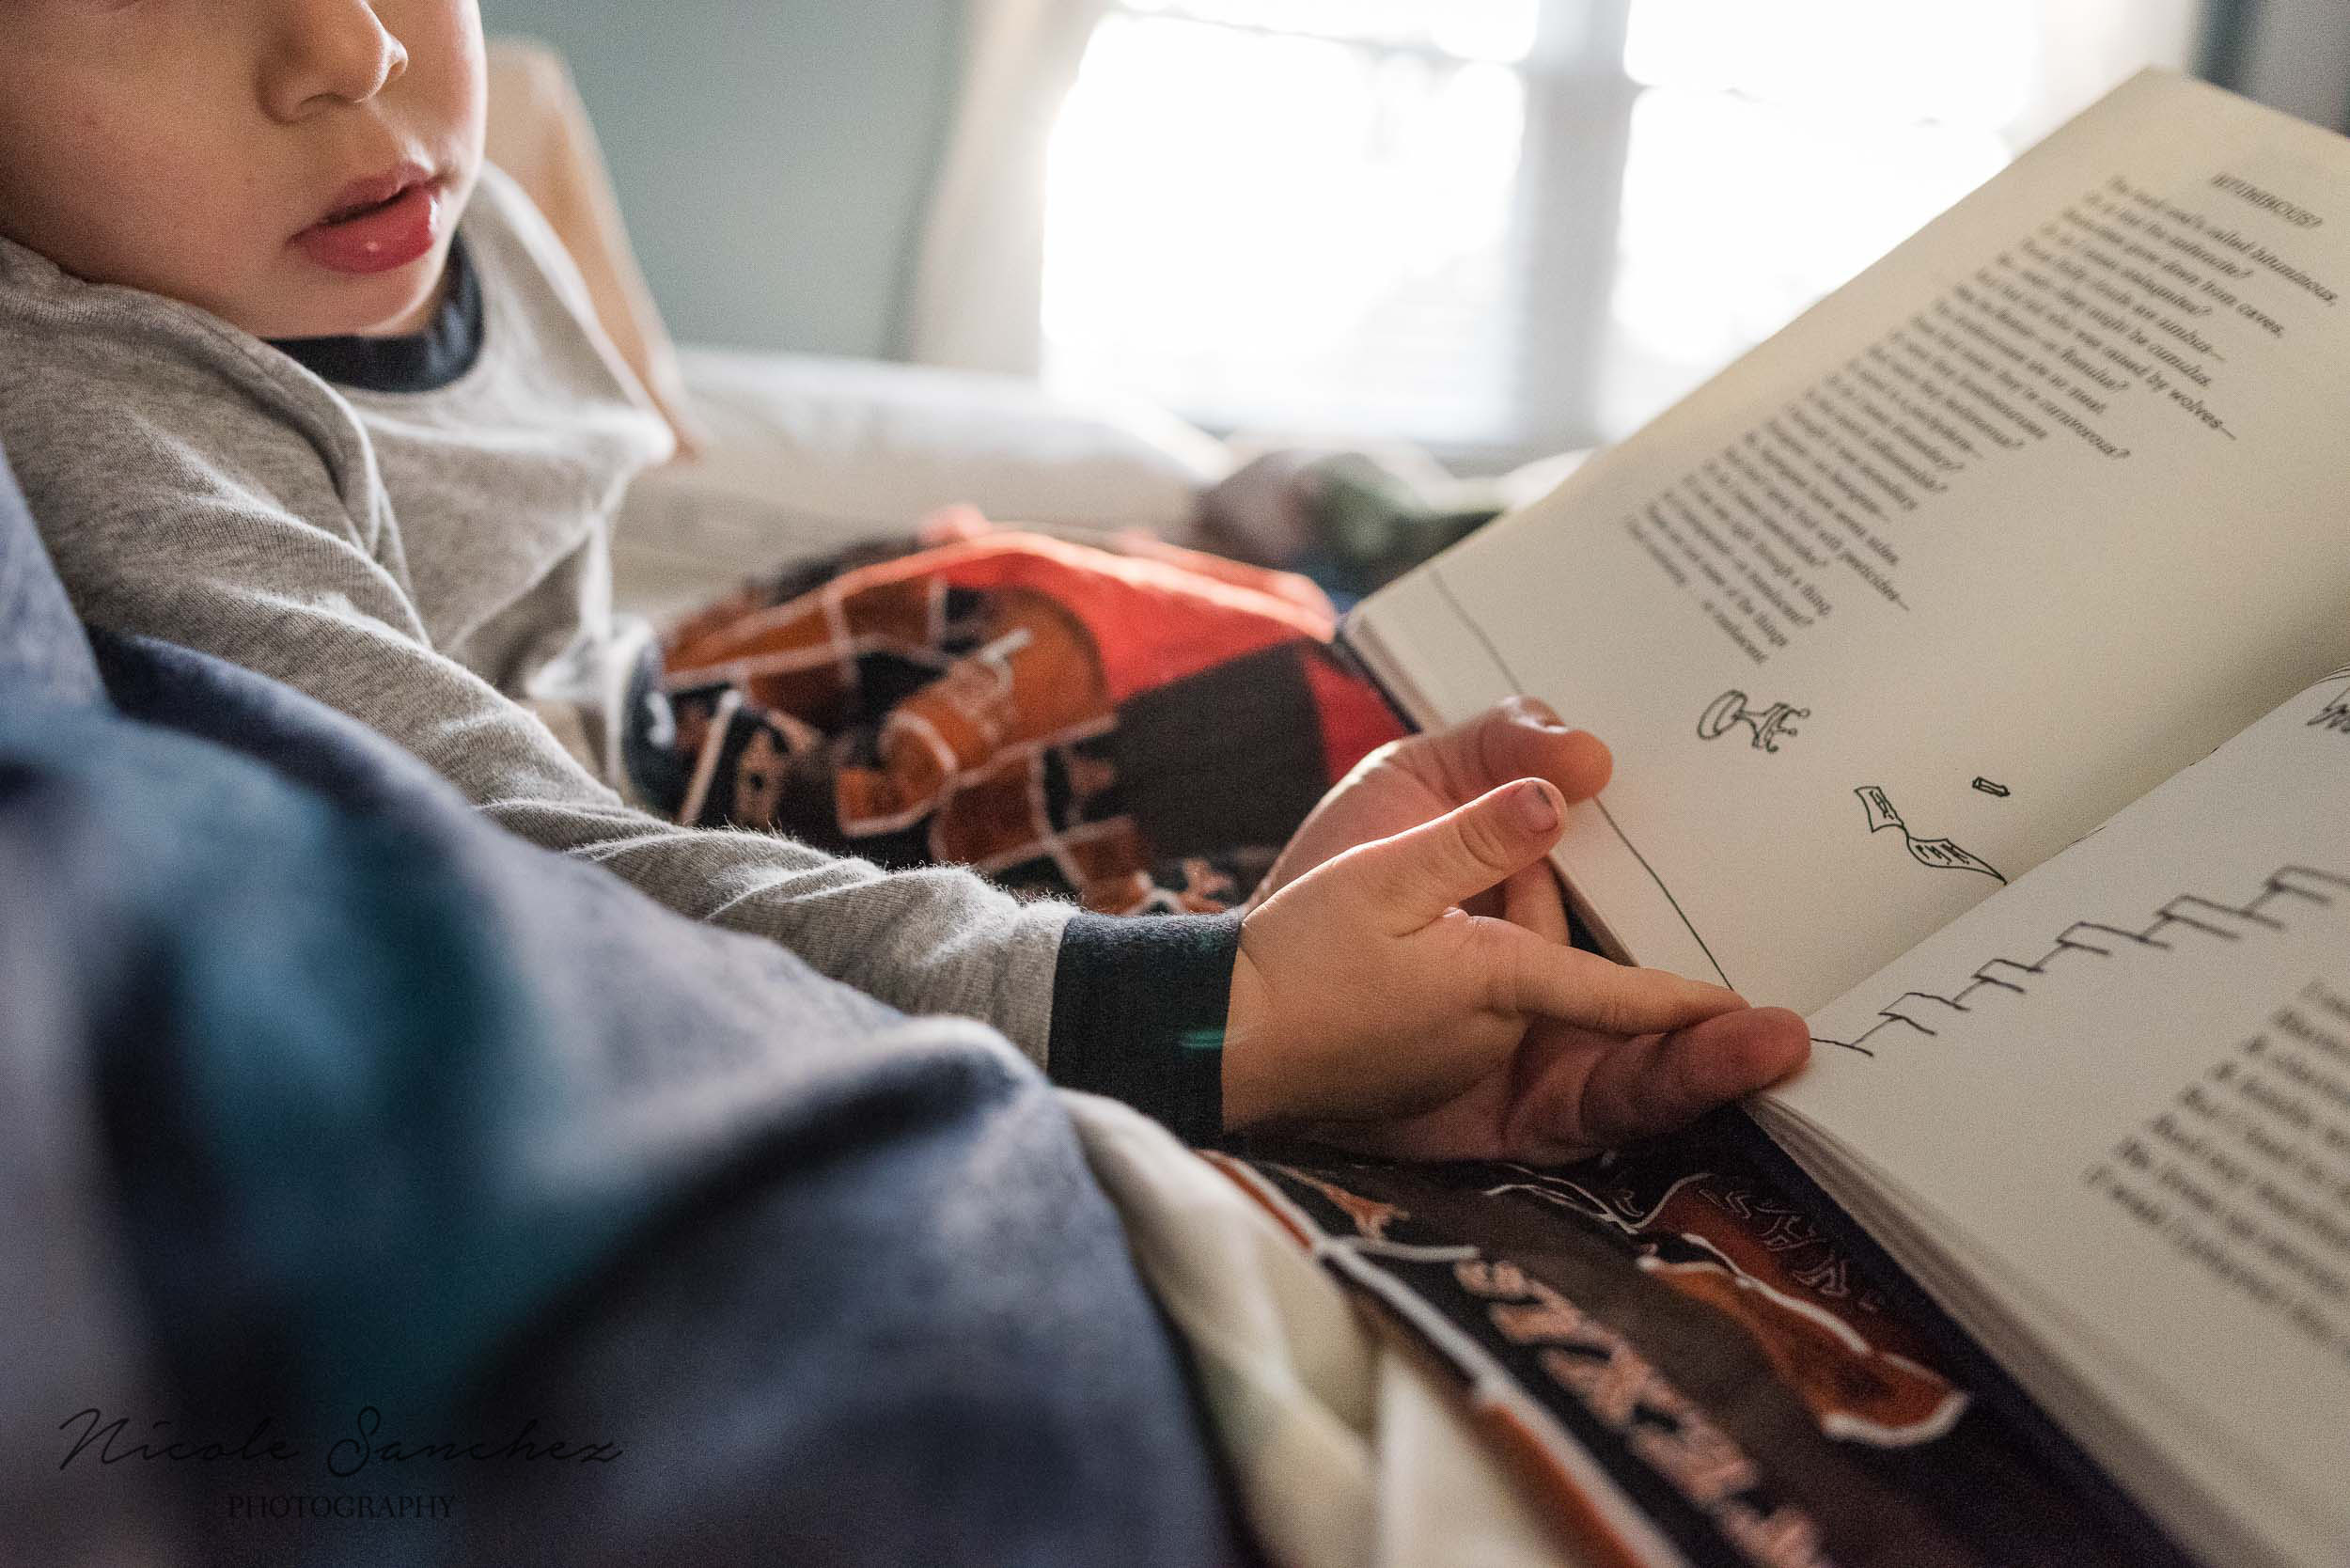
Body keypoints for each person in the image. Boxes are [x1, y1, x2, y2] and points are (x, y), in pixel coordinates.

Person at [0, 0, 1808, 1158]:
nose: (354, 49)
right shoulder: (95, 405)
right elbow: (499, 859)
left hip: (673, 685)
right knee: (1274, 702)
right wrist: (1199, 1022)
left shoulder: (420, 183)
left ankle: (1375, 534)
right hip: (621, 797)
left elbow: (598, 516)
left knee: (1093, 591)